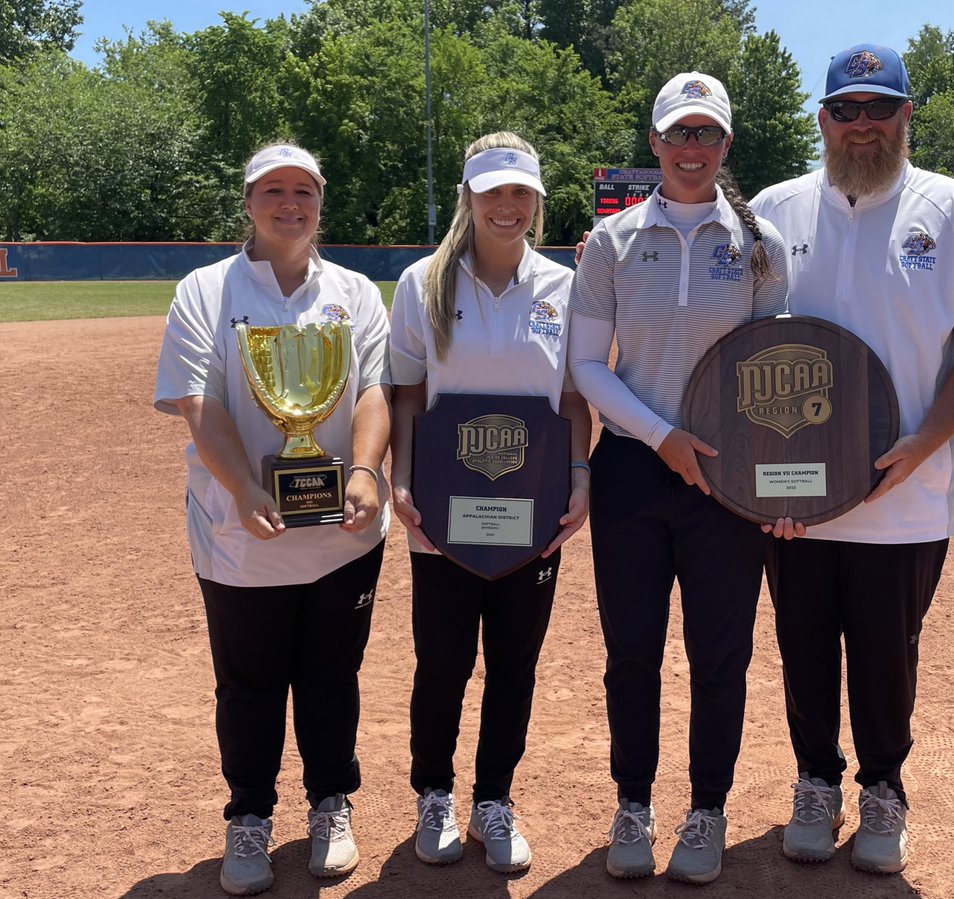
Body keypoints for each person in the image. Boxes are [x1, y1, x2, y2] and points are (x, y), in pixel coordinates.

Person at [749, 44, 954, 874]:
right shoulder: (773, 211)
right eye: (847, 109)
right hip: (791, 488)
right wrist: (748, 474)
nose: (863, 124)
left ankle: (883, 787)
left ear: (908, 116)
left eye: (881, 108)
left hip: (908, 490)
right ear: (822, 119)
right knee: (802, 642)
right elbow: (735, 354)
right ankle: (815, 781)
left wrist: (924, 442)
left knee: (885, 647)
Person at [153, 143, 391, 896]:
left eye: (304, 191)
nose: (290, 205)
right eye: (273, 191)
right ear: (249, 199)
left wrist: (363, 470)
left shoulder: (354, 292)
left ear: (321, 200)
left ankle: (331, 801)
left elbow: (375, 393)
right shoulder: (205, 290)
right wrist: (243, 488)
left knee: (331, 674)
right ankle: (249, 815)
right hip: (239, 534)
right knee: (249, 684)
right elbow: (199, 401)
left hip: (343, 534)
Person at [568, 72, 789, 885]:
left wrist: (776, 482)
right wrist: (661, 437)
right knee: (631, 651)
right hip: (634, 466)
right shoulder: (615, 244)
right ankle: (633, 803)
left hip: (725, 481)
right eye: (677, 133)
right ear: (654, 143)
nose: (691, 149)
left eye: (706, 134)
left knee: (719, 653)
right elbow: (588, 364)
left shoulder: (759, 245)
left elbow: (773, 368)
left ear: (725, 145)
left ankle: (706, 809)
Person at [388, 132, 592, 874]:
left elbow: (572, 395)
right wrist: (401, 480)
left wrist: (579, 476)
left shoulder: (563, 288)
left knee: (515, 664)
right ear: (468, 199)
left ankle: (494, 797)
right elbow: (406, 392)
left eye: (520, 193)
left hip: (530, 512)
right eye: (492, 191)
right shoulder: (423, 285)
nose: (507, 206)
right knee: (441, 661)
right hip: (441, 513)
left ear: (536, 201)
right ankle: (434, 792)